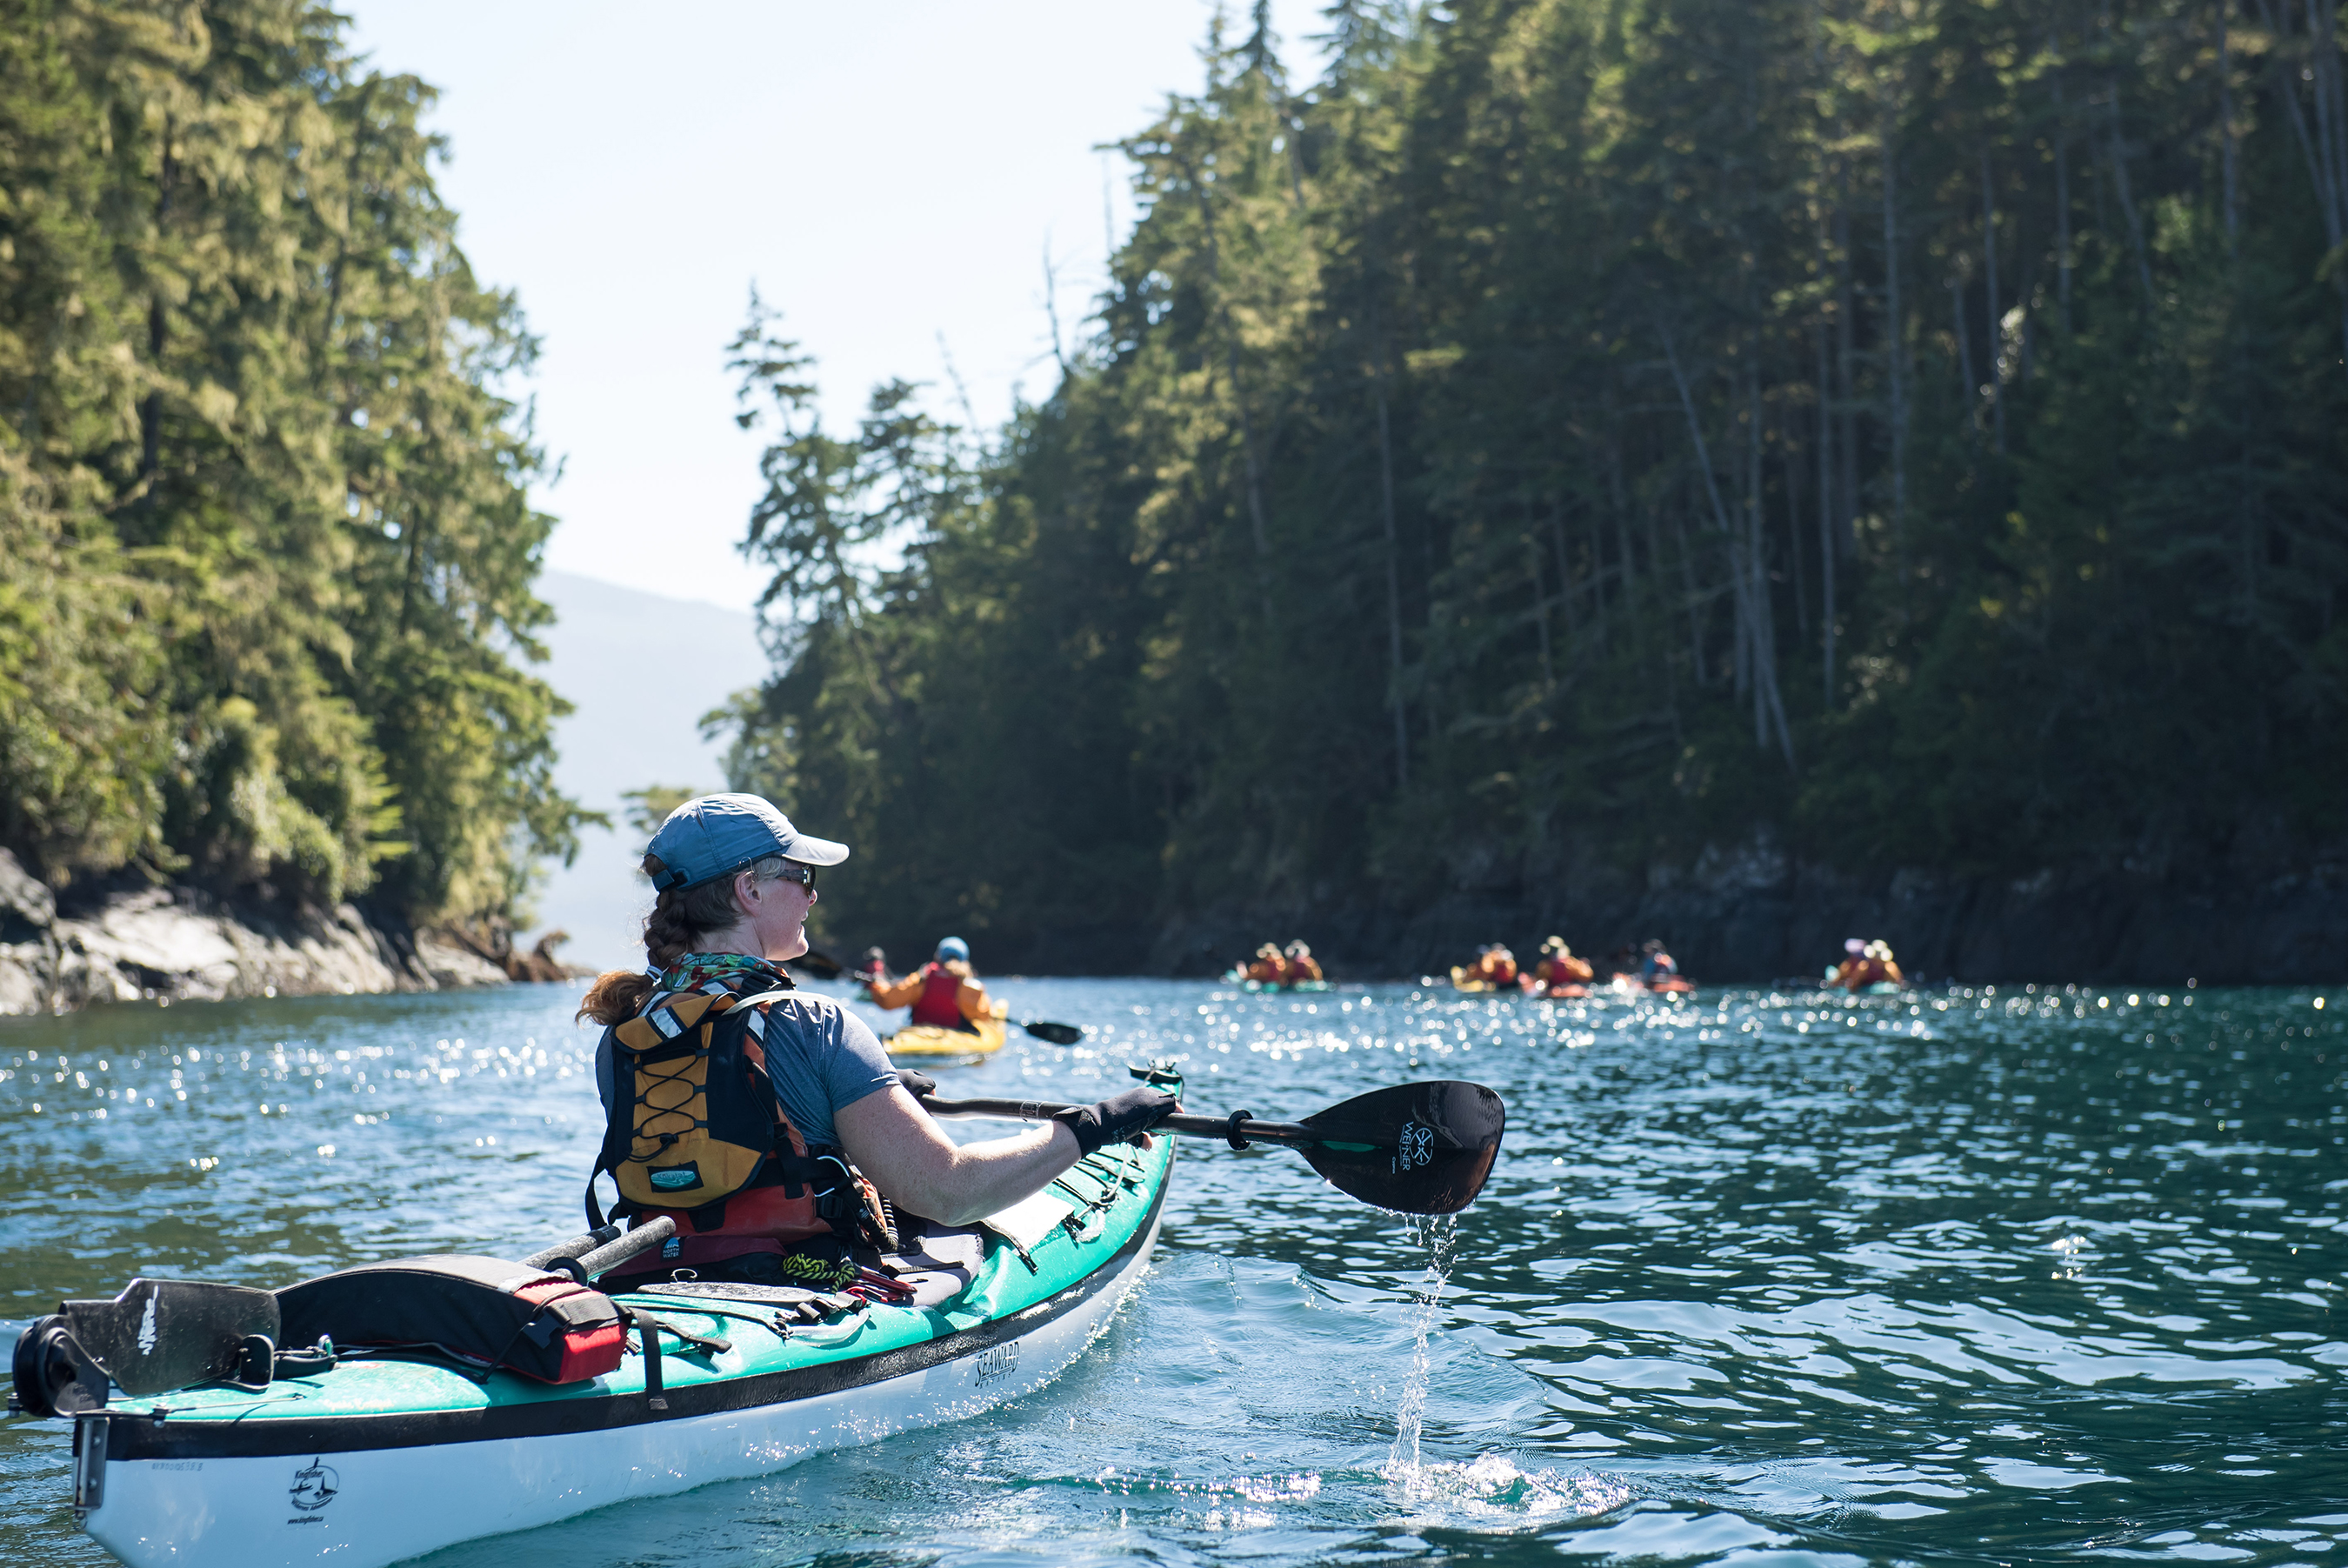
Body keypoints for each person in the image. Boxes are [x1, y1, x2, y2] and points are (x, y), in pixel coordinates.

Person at [577, 793, 1176, 1284]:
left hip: (658, 1276)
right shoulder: (818, 1023)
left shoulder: (625, 1033)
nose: (811, 894)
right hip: (801, 1283)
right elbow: (948, 1190)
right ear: (748, 891)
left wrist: (850, 1099)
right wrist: (1093, 1125)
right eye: (800, 875)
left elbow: (725, 1128)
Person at [866, 937, 993, 1032]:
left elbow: (888, 1000)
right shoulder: (968, 984)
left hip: (919, 1033)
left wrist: (877, 982)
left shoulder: (923, 977)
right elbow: (983, 1015)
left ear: (938, 957)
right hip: (955, 1035)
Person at [1526, 936, 1593, 995]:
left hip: (1554, 991)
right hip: (1568, 990)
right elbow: (1587, 976)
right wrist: (1585, 965)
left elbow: (1538, 978)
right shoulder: (1571, 963)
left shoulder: (1545, 966)